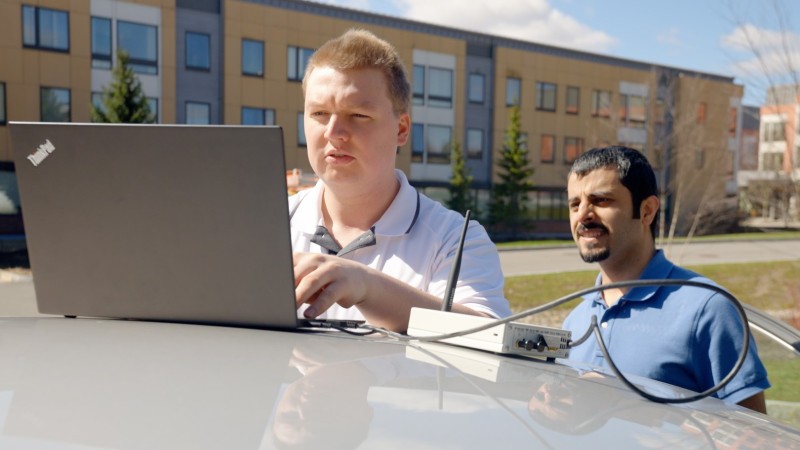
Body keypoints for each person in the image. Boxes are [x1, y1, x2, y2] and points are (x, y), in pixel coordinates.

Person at [290, 29, 511, 332]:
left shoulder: (456, 240)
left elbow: (489, 335)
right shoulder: (262, 225)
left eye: (357, 114)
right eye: (319, 113)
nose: (334, 132)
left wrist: (367, 286)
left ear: (402, 129)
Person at [562, 145, 770, 412]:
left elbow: (753, 435)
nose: (583, 215)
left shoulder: (708, 308)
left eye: (601, 200)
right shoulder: (575, 320)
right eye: (574, 204)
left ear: (647, 210)